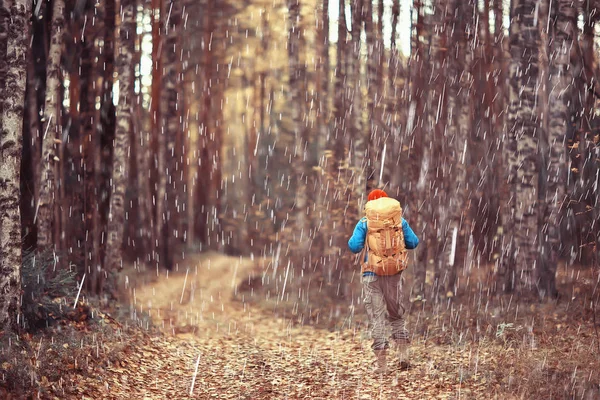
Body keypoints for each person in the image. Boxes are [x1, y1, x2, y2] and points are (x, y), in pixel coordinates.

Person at [348, 189, 419, 374]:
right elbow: (413, 242)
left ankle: (382, 366)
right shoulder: (398, 221)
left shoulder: (365, 222)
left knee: (377, 317)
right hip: (394, 273)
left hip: (371, 273)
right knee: (396, 314)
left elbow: (354, 247)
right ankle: (403, 356)